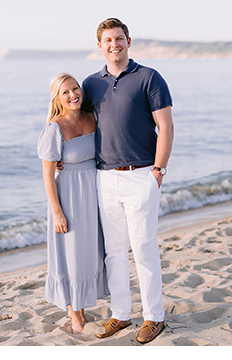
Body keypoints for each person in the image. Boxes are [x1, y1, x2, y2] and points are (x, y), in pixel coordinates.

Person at [81, 18, 174, 344]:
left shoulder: (149, 77)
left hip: (142, 176)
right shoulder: (91, 84)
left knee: (144, 248)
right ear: (100, 45)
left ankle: (154, 317)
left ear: (129, 41)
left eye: (119, 38)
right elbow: (80, 124)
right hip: (105, 178)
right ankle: (120, 314)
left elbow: (166, 126)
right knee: (114, 253)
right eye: (107, 40)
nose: (114, 45)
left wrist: (158, 171)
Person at [38, 73, 109, 335]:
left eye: (75, 89)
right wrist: (57, 211)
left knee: (91, 252)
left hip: (95, 192)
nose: (72, 95)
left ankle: (82, 308)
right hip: (69, 196)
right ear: (57, 98)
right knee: (72, 254)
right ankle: (75, 316)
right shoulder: (54, 128)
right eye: (65, 92)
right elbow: (47, 174)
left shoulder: (92, 117)